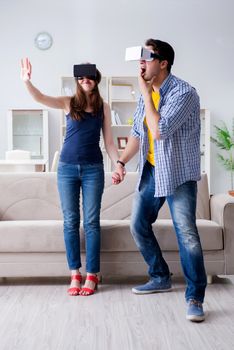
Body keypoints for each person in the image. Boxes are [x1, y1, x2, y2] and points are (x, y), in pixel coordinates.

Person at [112, 39, 207, 321]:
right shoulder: (147, 94)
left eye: (147, 57)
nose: (141, 63)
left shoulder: (185, 93)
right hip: (153, 169)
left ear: (163, 62)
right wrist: (120, 162)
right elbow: (139, 135)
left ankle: (195, 298)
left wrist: (143, 89)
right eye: (139, 58)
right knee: (138, 224)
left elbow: (159, 130)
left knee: (187, 234)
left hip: (178, 172)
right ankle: (160, 276)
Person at [21, 58, 120, 296]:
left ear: (96, 80)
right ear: (78, 81)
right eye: (81, 77)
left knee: (92, 223)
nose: (85, 80)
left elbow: (108, 142)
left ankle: (93, 274)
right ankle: (75, 272)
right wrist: (27, 81)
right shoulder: (69, 103)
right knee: (70, 222)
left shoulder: (103, 107)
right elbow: (40, 98)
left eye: (90, 77)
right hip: (66, 168)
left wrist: (118, 164)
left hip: (93, 169)